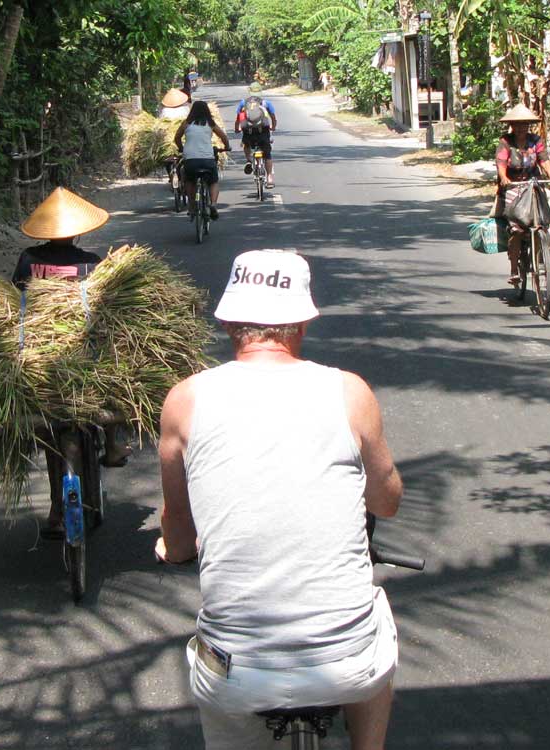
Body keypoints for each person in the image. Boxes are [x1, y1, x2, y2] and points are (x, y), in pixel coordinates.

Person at [154, 249, 404, 750]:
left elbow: (177, 527)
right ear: (302, 324)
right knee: (377, 616)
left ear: (227, 323)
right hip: (348, 664)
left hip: (234, 674)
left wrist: (176, 550)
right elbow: (387, 501)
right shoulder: (349, 392)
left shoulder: (185, 400)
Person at [12, 188, 133, 538]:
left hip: (37, 354)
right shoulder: (91, 262)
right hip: (83, 356)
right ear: (77, 231)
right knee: (116, 374)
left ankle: (55, 509)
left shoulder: (26, 260)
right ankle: (112, 443)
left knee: (52, 431)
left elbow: (16, 292)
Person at [494, 103, 550, 287]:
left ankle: (539, 250)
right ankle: (514, 270)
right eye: (518, 124)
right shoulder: (506, 142)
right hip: (514, 185)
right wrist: (504, 177)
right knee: (516, 229)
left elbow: (544, 160)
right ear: (512, 126)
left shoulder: (535, 140)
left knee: (542, 219)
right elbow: (501, 162)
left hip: (533, 183)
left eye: (525, 124)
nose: (521, 127)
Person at [172, 101, 231, 220]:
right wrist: (227, 147)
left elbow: (177, 137)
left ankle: (192, 206)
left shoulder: (186, 123)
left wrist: (181, 148)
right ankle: (213, 205)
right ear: (207, 112)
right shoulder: (210, 123)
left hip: (190, 160)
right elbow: (223, 136)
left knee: (189, 180)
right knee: (213, 181)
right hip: (207, 160)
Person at [234, 95, 279, 189]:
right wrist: (273, 127)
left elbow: (238, 118)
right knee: (267, 154)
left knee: (246, 144)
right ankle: (269, 177)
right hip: (263, 131)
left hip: (248, 132)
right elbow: (273, 118)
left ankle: (249, 160)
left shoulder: (244, 102)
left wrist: (237, 129)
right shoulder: (266, 103)